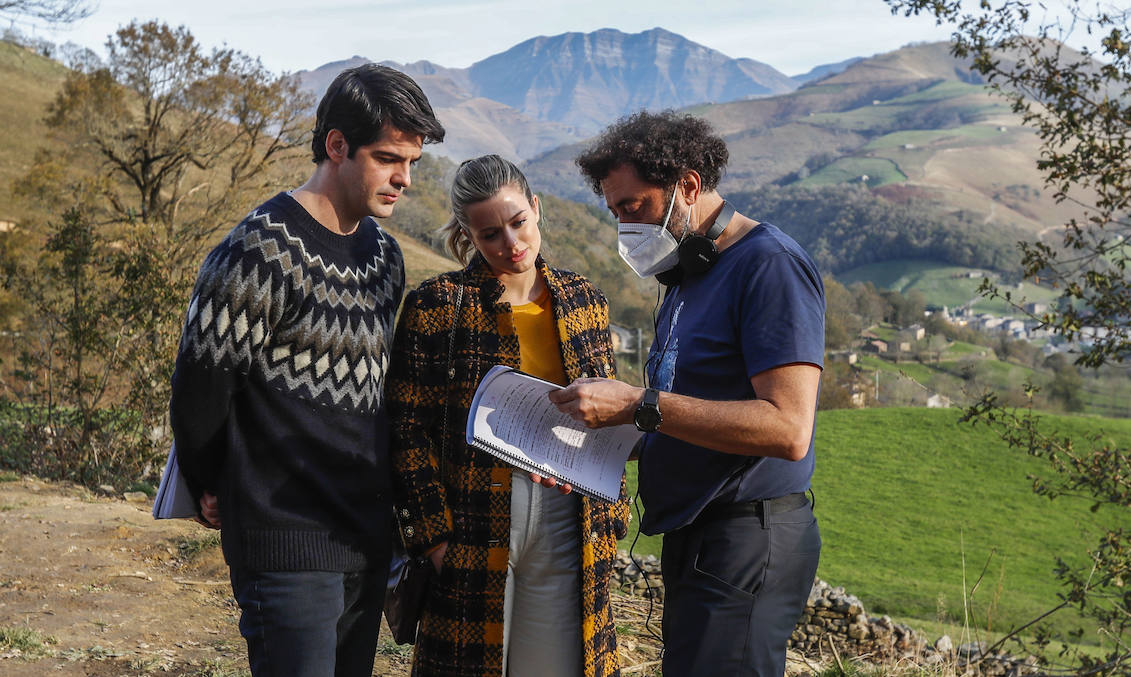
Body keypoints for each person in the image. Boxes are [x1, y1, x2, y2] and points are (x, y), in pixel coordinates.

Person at [168, 63, 445, 677]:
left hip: (365, 537)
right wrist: (212, 482)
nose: (403, 178)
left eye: (412, 163)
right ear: (337, 146)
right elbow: (201, 388)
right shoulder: (258, 252)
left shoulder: (384, 255)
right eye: (388, 158)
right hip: (286, 537)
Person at [552, 110, 826, 677]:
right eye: (615, 212)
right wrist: (595, 428)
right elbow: (684, 411)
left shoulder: (768, 266)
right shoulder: (688, 276)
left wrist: (637, 403)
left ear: (689, 186)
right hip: (698, 536)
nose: (624, 225)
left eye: (634, 207)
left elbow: (788, 428)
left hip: (746, 536)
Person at [386, 155, 630, 677]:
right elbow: (407, 431)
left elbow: (609, 418)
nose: (511, 244)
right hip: (473, 518)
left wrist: (611, 517)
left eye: (519, 223)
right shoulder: (438, 306)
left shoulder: (584, 301)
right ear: (468, 235)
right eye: (491, 233)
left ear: (536, 209)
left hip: (569, 513)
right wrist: (434, 540)